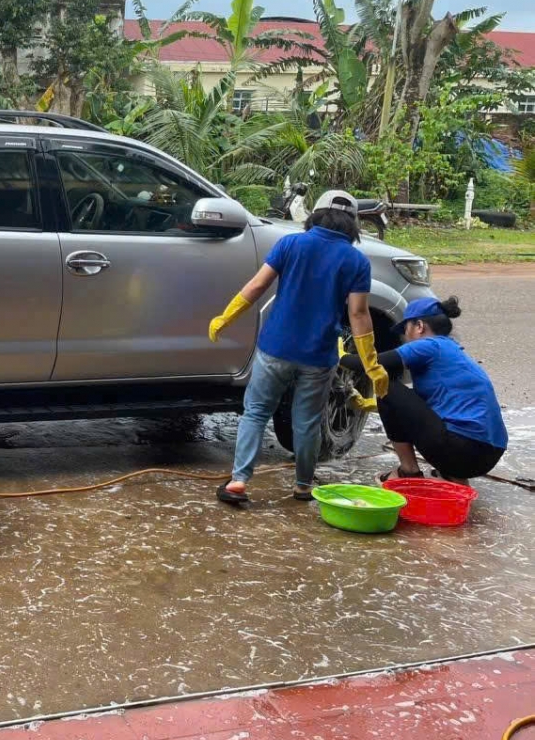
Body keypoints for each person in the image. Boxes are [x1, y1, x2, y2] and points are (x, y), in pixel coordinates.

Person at [208, 190, 389, 505]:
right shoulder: (357, 260)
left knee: (256, 412)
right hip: (318, 356)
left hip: (275, 348)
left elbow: (257, 285)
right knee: (306, 421)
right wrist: (371, 363)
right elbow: (358, 314)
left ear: (315, 214)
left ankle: (239, 482)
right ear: (354, 224)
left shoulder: (291, 243)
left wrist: (226, 317)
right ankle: (303, 486)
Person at [340, 296, 507, 485]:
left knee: (386, 384)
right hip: (488, 455)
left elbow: (369, 364)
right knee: (398, 395)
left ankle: (408, 470)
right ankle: (454, 476)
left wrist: (337, 354)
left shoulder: (430, 345)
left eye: (405, 329)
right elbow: (419, 409)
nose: (405, 337)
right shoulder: (452, 351)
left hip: (461, 449)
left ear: (419, 326)